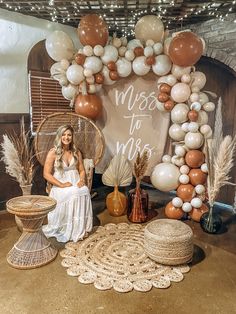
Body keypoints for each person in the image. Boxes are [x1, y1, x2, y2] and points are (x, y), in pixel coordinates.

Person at [42, 124, 93, 243]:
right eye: (63, 134)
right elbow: (46, 174)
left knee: (84, 190)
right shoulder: (53, 152)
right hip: (60, 186)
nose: (66, 137)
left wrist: (82, 180)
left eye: (69, 134)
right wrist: (61, 184)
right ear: (59, 136)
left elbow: (81, 169)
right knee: (75, 192)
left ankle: (80, 228)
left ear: (72, 137)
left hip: (75, 182)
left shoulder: (76, 152)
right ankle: (69, 228)